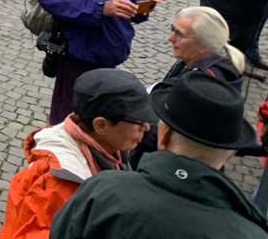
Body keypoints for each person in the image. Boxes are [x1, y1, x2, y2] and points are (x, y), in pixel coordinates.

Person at [49, 73, 268, 239]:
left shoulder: (102, 191)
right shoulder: (251, 233)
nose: (145, 128)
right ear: (230, 154)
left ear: (164, 135)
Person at [0, 69, 154, 239]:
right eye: (138, 122)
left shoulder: (110, 149)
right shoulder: (59, 183)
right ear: (101, 125)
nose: (146, 128)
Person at [128, 7, 245, 169]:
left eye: (179, 34)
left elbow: (177, 136)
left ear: (204, 44)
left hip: (168, 165)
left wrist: (129, 128)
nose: (170, 38)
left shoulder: (204, 85)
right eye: (172, 29)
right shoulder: (199, 61)